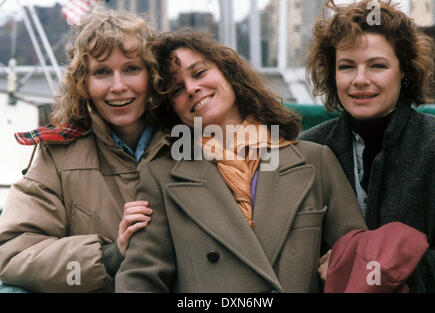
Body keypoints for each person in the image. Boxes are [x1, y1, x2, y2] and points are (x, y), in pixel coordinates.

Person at [115, 31, 367, 293]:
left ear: (228, 73)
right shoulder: (160, 177)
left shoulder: (315, 160)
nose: (191, 88)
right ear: (172, 107)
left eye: (199, 73)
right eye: (177, 89)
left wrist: (343, 261)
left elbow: (359, 256)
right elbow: (140, 280)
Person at [0, 6, 167, 292]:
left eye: (131, 69)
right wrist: (110, 256)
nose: (118, 86)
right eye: (102, 72)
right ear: (83, 83)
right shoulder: (57, 155)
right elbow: (13, 254)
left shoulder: (189, 143)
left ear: (152, 75)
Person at [299, 0, 435, 292]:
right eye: (346, 66)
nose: (359, 80)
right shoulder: (307, 150)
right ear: (333, 74)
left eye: (377, 65)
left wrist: (357, 264)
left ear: (404, 71)